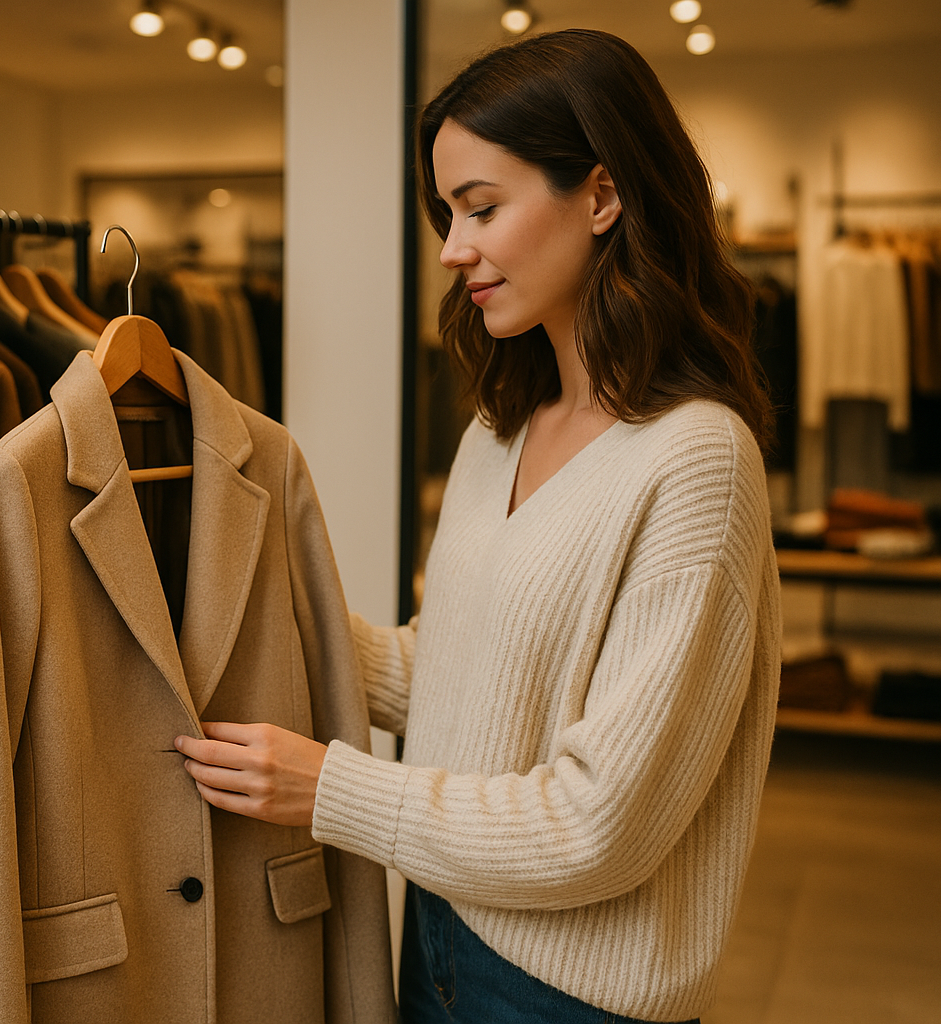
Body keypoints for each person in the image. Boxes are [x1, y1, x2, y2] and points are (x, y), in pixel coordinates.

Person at [174, 28, 781, 1024]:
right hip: (441, 931)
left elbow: (600, 827)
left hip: (573, 996)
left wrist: (331, 788)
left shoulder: (698, 464)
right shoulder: (502, 428)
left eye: (482, 209)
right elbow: (449, 674)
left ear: (601, 194)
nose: (454, 250)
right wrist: (260, 598)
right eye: (448, 212)